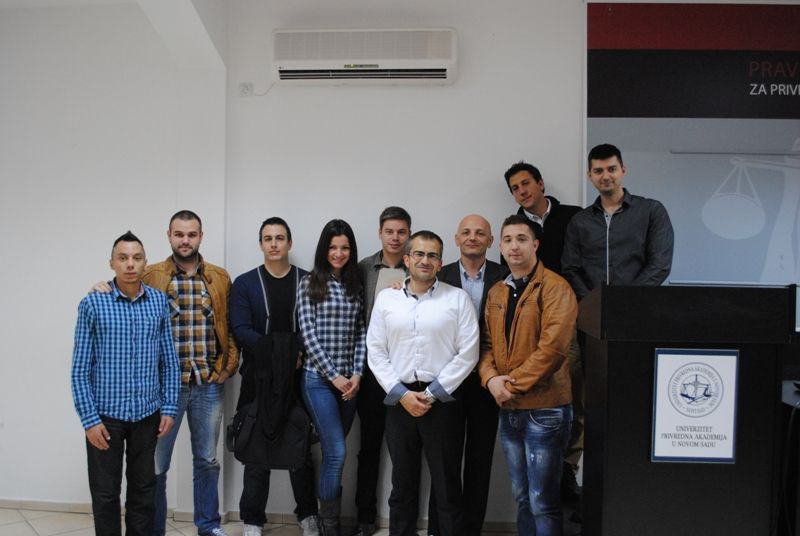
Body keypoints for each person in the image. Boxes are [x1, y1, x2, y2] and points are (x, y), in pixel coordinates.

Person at [95, 210, 239, 536]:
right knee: (156, 466)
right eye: (179, 234)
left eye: (191, 234)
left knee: (207, 460)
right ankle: (153, 529)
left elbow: (229, 327)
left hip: (207, 384)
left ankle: (208, 526)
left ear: (200, 236)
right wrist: (100, 286)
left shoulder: (219, 277)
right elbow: (122, 289)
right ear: (169, 235)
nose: (185, 240)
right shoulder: (151, 274)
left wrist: (227, 367)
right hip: (164, 388)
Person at [367, 231, 479, 536]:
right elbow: (375, 351)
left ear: (440, 263)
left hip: (442, 402)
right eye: (418, 254)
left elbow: (468, 353)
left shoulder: (457, 299)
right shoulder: (386, 299)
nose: (425, 260)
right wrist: (402, 394)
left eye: (432, 255)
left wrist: (430, 395)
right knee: (402, 484)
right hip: (400, 401)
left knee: (447, 485)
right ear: (407, 259)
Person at [72, 231, 180, 536]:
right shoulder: (93, 304)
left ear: (145, 262)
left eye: (136, 257)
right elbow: (80, 368)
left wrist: (170, 407)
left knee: (144, 491)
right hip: (105, 418)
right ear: (112, 263)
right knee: (106, 494)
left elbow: (169, 360)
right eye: (123, 258)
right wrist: (89, 420)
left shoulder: (158, 302)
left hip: (148, 414)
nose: (130, 264)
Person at [480, 215, 577, 536]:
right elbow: (486, 346)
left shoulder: (556, 288)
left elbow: (554, 349)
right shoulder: (497, 292)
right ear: (500, 247)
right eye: (508, 240)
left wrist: (510, 385)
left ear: (535, 244)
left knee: (542, 501)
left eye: (521, 239)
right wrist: (491, 380)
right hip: (508, 409)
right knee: (522, 497)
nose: (514, 246)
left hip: (545, 410)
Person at [229, 217, 319, 536]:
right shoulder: (245, 283)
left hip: (299, 376)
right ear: (261, 244)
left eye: (280, 238)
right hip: (258, 376)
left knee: (300, 446)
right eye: (268, 238)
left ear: (289, 243)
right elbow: (241, 329)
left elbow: (315, 327)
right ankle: (252, 520)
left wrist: (297, 354)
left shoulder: (307, 281)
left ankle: (308, 515)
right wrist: (281, 353)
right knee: (256, 445)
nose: (274, 244)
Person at [504, 161, 584, 501]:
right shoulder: (515, 226)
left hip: (568, 315)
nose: (522, 191)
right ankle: (542, 466)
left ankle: (567, 466)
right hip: (528, 319)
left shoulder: (573, 217)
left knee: (571, 390)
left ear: (540, 183)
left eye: (526, 184)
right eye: (515, 188)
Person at [426, 215, 508, 536]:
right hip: (446, 381)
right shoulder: (439, 275)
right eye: (466, 232)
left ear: (490, 241)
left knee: (479, 461)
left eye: (480, 233)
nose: (473, 237)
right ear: (457, 239)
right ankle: (440, 530)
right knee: (443, 463)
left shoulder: (505, 277)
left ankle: (471, 530)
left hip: (487, 382)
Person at [298, 219, 367, 536]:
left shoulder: (355, 285)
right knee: (337, 452)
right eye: (333, 247)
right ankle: (329, 526)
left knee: (332, 452)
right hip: (318, 381)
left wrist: (357, 373)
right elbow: (308, 336)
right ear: (323, 250)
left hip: (350, 384)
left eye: (345, 248)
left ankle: (327, 520)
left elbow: (361, 332)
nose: (339, 253)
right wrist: (335, 376)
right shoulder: (309, 283)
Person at [352, 206, 412, 536]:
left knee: (405, 450)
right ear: (379, 233)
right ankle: (365, 518)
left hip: (407, 372)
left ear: (409, 234)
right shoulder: (363, 268)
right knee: (369, 447)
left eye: (401, 232)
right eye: (389, 231)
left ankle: (403, 522)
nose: (395, 238)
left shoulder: (418, 265)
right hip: (372, 372)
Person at [562, 143, 675, 301]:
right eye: (598, 171)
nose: (605, 176)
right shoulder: (580, 221)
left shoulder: (651, 211)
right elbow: (570, 268)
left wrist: (628, 298)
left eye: (612, 169)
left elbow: (660, 265)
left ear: (623, 170)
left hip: (640, 305)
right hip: (592, 309)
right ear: (589, 175)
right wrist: (592, 301)